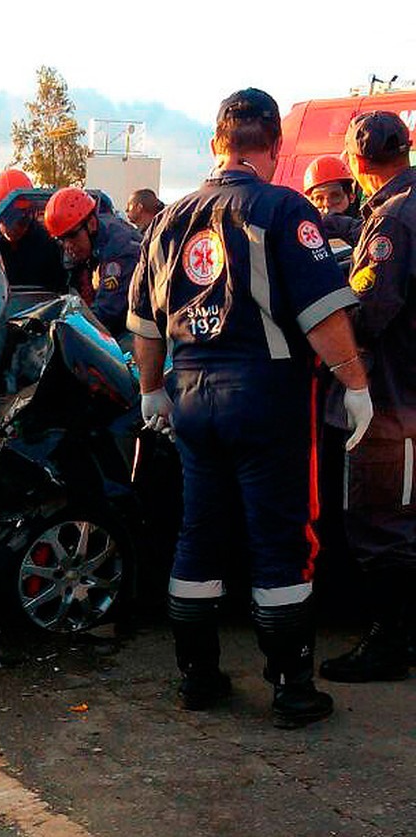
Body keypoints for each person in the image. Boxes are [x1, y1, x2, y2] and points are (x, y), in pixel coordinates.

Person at [127, 87, 373, 729]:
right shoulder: (283, 208)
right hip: (266, 399)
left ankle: (197, 676)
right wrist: (355, 383)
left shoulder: (169, 219)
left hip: (191, 399)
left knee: (198, 536)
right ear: (274, 144)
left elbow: (146, 325)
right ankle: (293, 687)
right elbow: (322, 314)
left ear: (217, 143)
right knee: (283, 539)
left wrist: (152, 390)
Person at [319, 111, 416, 683]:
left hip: (392, 395)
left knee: (382, 522)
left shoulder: (392, 223)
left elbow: (369, 311)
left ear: (358, 164)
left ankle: (388, 642)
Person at [44, 186, 141, 340]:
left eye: (72, 236)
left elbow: (106, 313)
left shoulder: (120, 250)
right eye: (61, 239)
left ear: (91, 224)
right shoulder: (88, 245)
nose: (68, 246)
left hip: (134, 332)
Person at [0, 169, 66, 292]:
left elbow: (57, 291)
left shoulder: (46, 244)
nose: (15, 226)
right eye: (9, 217)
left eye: (22, 218)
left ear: (32, 212)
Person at [302, 155, 363, 247]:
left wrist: (340, 225)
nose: (327, 205)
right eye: (319, 199)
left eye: (335, 196)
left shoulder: (367, 221)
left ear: (351, 197)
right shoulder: (305, 227)